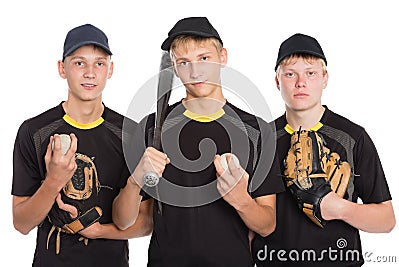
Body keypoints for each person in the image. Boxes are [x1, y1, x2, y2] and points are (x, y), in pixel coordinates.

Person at [112, 17, 285, 267]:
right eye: (184, 62)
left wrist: (241, 200)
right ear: (174, 66)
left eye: (204, 58)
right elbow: (123, 220)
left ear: (222, 57)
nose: (195, 72)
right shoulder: (151, 129)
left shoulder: (256, 130)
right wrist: (136, 179)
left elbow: (268, 225)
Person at [12, 23, 153, 266]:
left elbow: (146, 223)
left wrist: (99, 231)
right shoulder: (34, 131)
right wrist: (54, 180)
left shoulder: (130, 134)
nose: (90, 73)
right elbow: (21, 223)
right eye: (79, 63)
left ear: (110, 70)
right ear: (62, 68)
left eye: (99, 63)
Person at [252, 33, 396, 266]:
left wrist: (338, 207)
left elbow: (386, 220)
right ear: (277, 81)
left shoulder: (353, 137)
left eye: (311, 73)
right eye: (290, 74)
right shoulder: (262, 140)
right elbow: (250, 222)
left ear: (325, 78)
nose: (301, 82)